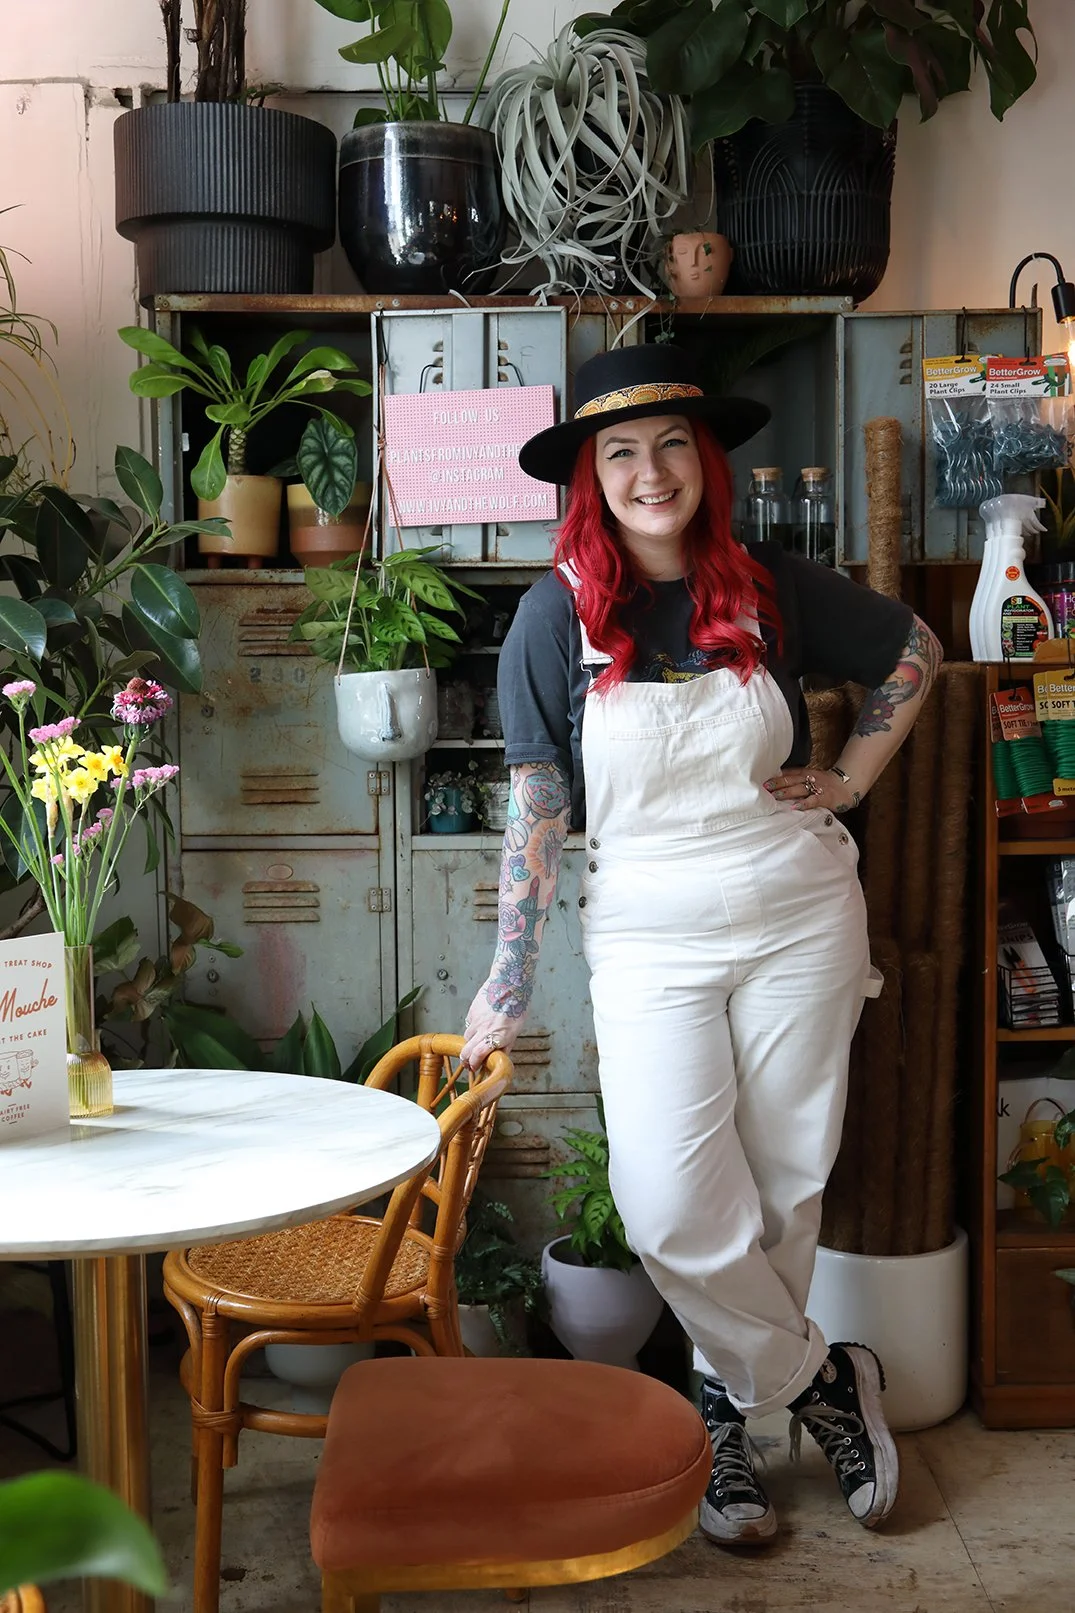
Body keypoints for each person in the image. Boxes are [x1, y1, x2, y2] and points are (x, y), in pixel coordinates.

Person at [460, 344, 942, 1547]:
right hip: (648, 935)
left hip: (798, 914)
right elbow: (537, 809)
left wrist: (849, 776)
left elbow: (914, 650)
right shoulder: (550, 614)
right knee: (670, 1203)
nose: (649, 468)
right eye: (619, 449)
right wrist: (503, 983)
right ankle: (829, 1380)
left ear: (705, 459)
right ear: (590, 477)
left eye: (672, 441)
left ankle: (730, 1408)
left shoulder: (771, 584)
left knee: (783, 1189)